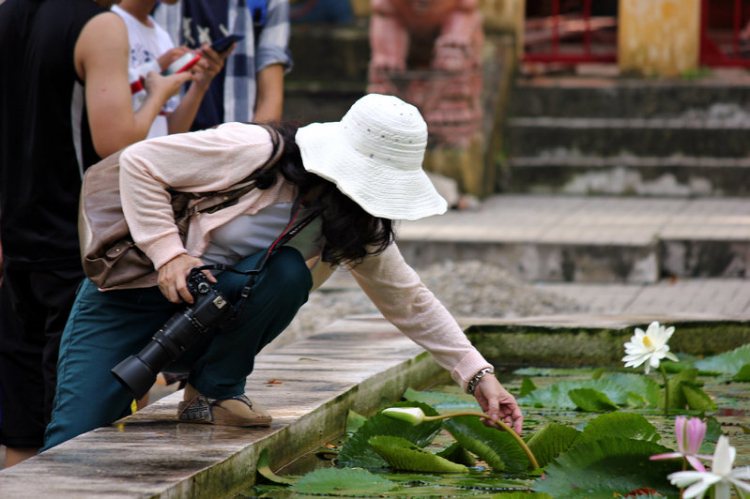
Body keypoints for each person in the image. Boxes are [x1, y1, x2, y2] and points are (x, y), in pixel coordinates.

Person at [41, 94, 523, 451]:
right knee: (73, 436)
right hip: (131, 294)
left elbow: (409, 298)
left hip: (210, 313)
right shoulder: (252, 151)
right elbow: (141, 162)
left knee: (289, 273)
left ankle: (213, 392)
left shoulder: (347, 222)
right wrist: (169, 255)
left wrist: (478, 376)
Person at [0, 0, 196, 467]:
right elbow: (117, 144)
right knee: (81, 422)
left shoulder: (7, 15)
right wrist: (157, 93)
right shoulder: (100, 24)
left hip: (18, 239)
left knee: (22, 424)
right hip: (81, 244)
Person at [152, 0, 292, 127]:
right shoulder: (150, 10)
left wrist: (249, 148)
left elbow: (270, 98)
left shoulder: (266, 3)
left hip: (235, 142)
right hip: (165, 139)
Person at [112, 0, 231, 139]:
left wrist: (200, 84)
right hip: (119, 158)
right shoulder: (108, 25)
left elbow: (169, 134)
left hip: (151, 157)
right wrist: (157, 67)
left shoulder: (162, 36)